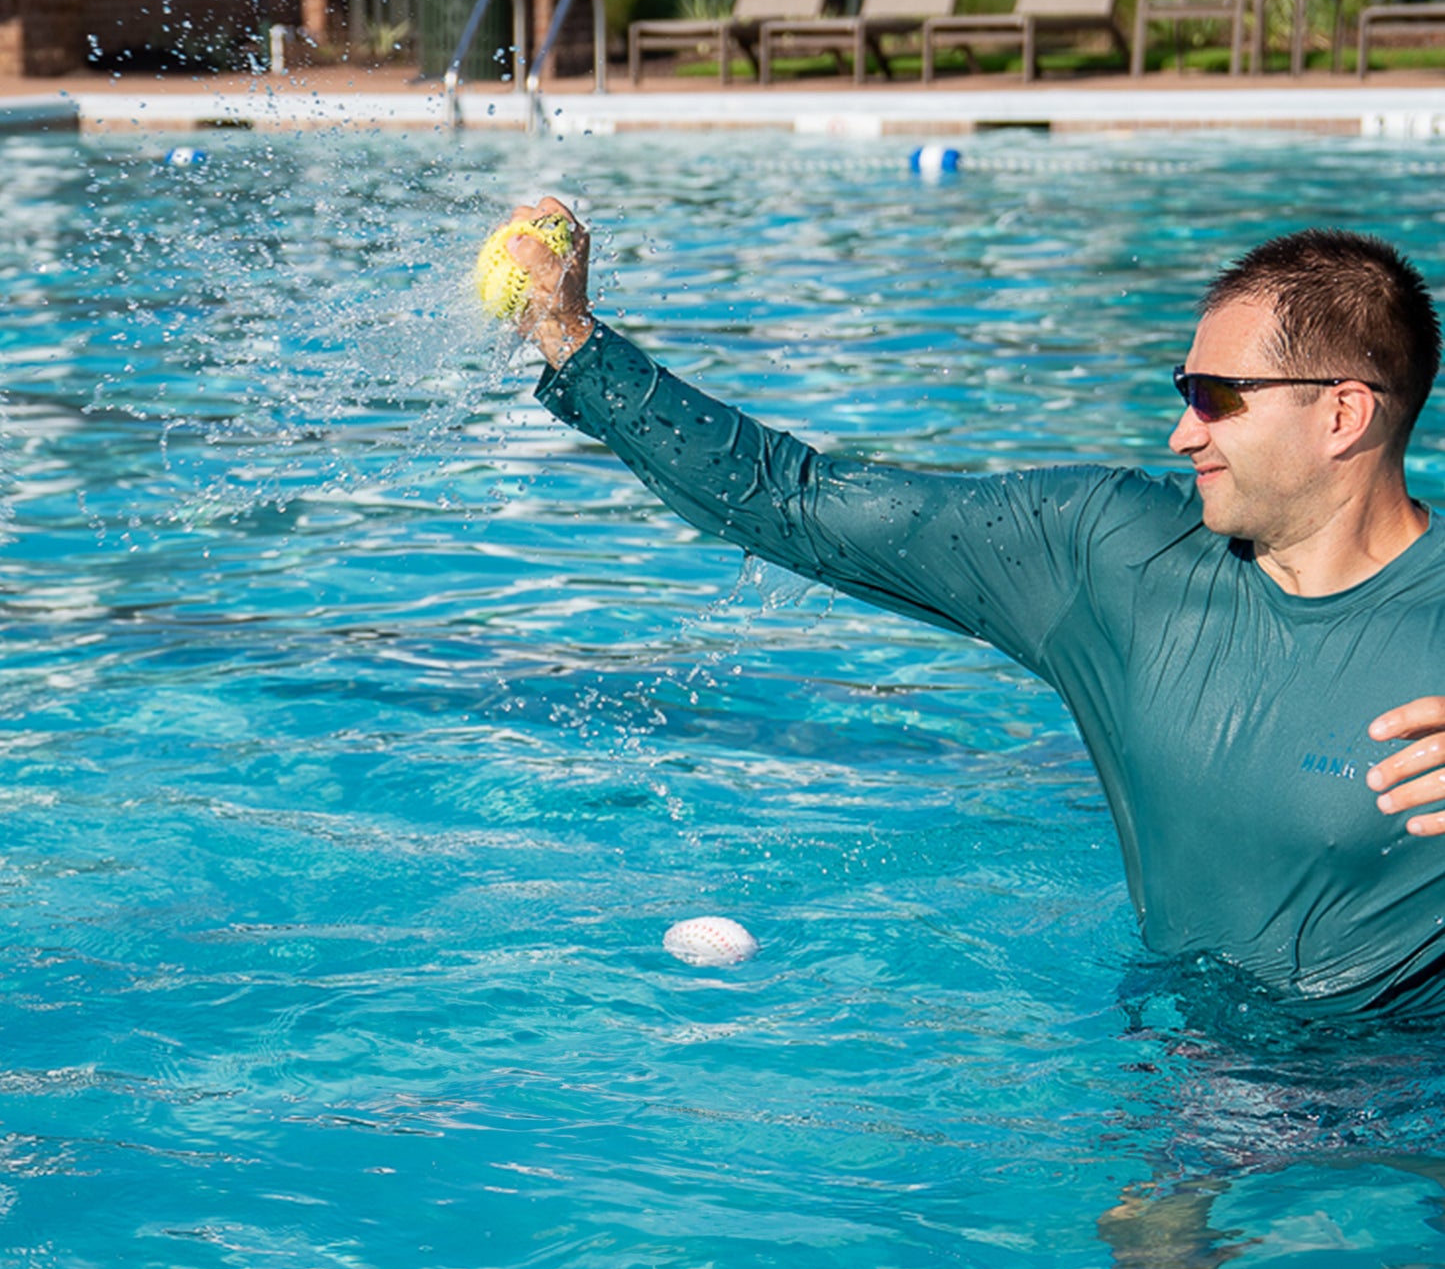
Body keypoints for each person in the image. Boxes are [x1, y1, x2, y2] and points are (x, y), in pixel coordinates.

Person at [499, 197, 1445, 1018]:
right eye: (1183, 392)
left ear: (1342, 414)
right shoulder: (1113, 556)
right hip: (1183, 1082)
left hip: (1400, 1089)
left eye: (1215, 398)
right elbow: (792, 501)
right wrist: (572, 341)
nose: (1180, 432)